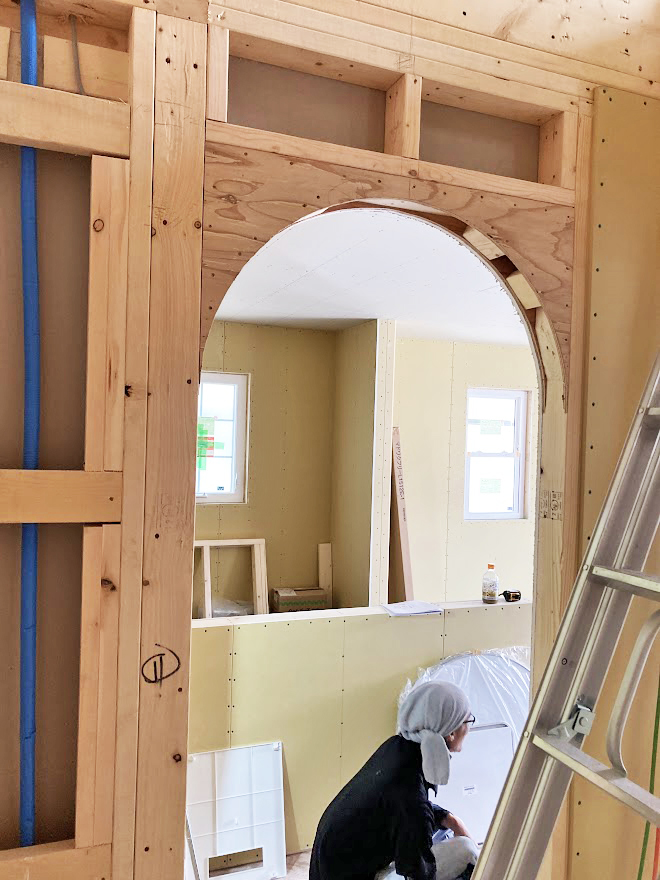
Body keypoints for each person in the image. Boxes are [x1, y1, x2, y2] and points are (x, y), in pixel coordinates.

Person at [310, 681, 479, 880]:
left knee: (443, 833)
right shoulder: (410, 795)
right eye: (469, 720)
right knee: (466, 851)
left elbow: (397, 806)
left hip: (331, 867)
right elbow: (417, 871)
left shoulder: (396, 747)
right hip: (351, 874)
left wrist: (450, 819)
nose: (470, 727)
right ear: (451, 733)